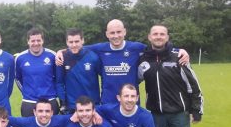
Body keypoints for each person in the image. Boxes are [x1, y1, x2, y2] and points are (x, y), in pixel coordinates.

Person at [55, 19, 190, 104]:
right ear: (107, 34)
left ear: (124, 32)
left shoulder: (136, 47)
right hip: (108, 102)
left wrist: (179, 50)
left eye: (118, 32)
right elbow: (76, 47)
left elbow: (157, 47)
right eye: (112, 33)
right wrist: (61, 52)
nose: (116, 36)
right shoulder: (100, 48)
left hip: (130, 100)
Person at [15, 28, 59, 116]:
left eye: (38, 40)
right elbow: (17, 78)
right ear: (28, 41)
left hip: (50, 100)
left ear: (43, 40)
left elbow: (58, 78)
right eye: (33, 41)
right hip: (29, 101)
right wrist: (26, 91)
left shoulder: (52, 56)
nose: (36, 43)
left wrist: (53, 92)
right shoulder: (20, 58)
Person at [56, 28, 101, 113]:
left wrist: (101, 99)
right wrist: (63, 103)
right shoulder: (62, 58)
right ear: (66, 42)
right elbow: (59, 82)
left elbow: (104, 78)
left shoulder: (93, 57)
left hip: (92, 105)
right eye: (71, 42)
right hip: (72, 106)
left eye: (77, 41)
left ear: (82, 41)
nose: (74, 45)